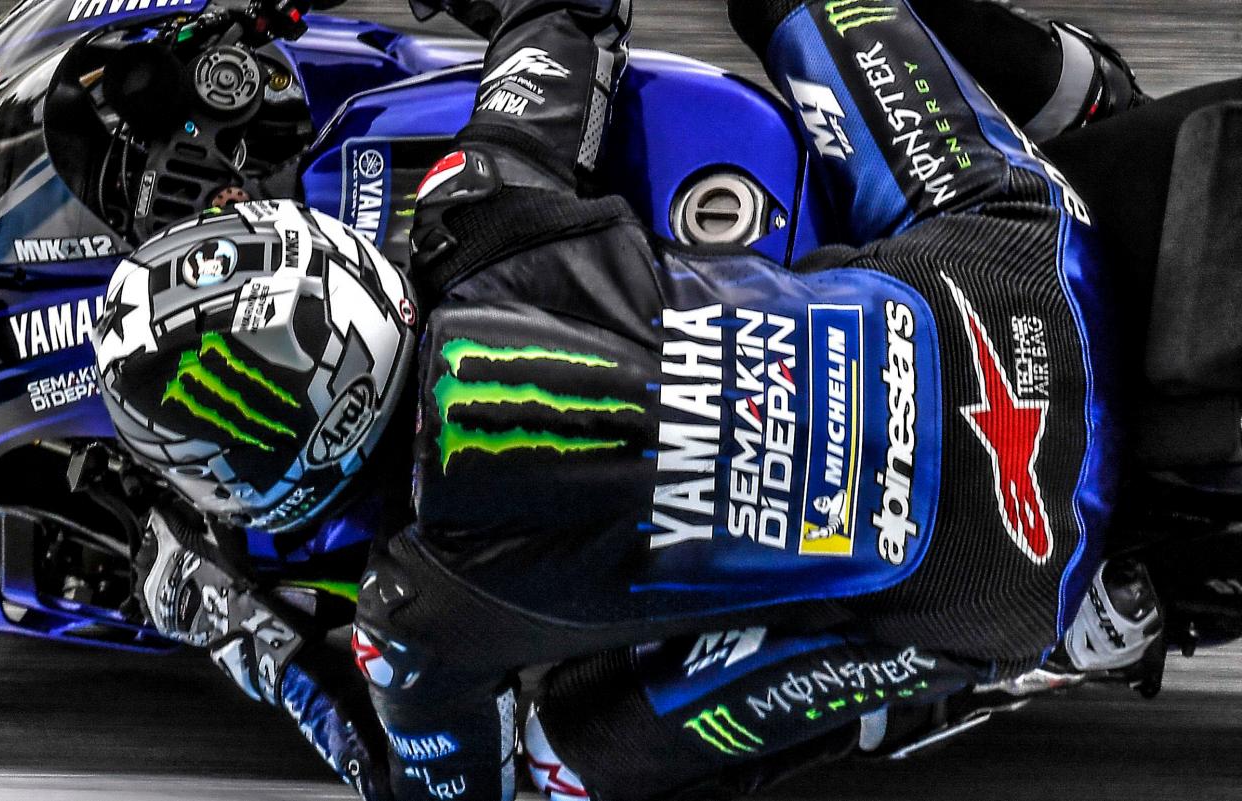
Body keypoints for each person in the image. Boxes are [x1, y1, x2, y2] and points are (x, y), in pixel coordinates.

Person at [93, 0, 1200, 799]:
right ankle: (1078, 96)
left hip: (1010, 577)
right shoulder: (480, 223)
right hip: (1027, 272)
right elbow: (569, 18)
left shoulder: (415, 619)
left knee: (548, 770)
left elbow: (432, 788)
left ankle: (1055, 653)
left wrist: (237, 626)